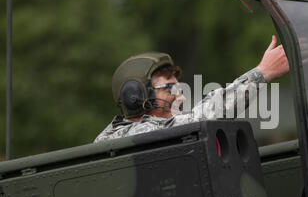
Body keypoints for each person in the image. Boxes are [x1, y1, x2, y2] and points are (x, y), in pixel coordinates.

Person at [94, 35, 290, 143]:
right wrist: (262, 72)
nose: (177, 86)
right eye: (168, 78)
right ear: (135, 94)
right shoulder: (126, 136)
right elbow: (202, 117)